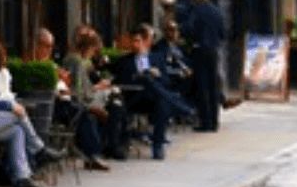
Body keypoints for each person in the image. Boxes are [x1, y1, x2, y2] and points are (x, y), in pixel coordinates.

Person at [0, 35, 53, 187]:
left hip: (0, 120)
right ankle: (39, 150)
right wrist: (9, 106)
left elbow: (7, 96)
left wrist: (12, 104)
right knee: (17, 116)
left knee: (17, 131)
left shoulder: (3, 73)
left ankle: (21, 179)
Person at [110, 24, 174, 159]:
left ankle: (157, 145)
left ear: (145, 42)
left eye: (137, 41)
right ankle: (181, 107)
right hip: (132, 98)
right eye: (132, 41)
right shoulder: (124, 61)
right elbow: (118, 81)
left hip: (152, 99)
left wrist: (158, 75)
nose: (134, 45)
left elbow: (167, 82)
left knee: (161, 101)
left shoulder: (157, 58)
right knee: (155, 89)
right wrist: (137, 76)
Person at [59, 28, 115, 170]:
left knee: (111, 105)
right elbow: (77, 90)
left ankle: (97, 152)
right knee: (97, 113)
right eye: (93, 50)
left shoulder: (77, 60)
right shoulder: (77, 62)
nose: (93, 54)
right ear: (88, 48)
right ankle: (96, 153)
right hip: (74, 102)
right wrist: (96, 90)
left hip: (78, 100)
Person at [180, 0, 226, 132]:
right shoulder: (217, 11)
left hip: (199, 49)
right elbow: (223, 33)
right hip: (214, 50)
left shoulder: (195, 10)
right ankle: (214, 121)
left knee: (202, 86)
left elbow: (188, 29)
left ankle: (205, 122)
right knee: (213, 86)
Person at [149, 17, 195, 115]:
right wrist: (179, 72)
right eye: (171, 30)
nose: (174, 33)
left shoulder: (179, 46)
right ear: (165, 32)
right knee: (196, 81)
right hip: (173, 77)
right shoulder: (160, 47)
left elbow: (186, 61)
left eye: (176, 30)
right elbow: (163, 66)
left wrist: (189, 69)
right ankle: (184, 109)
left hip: (187, 74)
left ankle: (221, 101)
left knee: (206, 78)